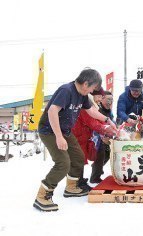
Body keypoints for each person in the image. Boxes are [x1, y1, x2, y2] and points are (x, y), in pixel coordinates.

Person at [33, 69, 116, 212]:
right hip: (50, 130)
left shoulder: (82, 95)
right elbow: (52, 111)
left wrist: (107, 120)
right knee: (63, 163)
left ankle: (72, 187)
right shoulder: (66, 90)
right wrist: (59, 137)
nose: (92, 91)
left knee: (78, 157)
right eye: (92, 88)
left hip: (65, 130)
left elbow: (91, 111)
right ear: (85, 84)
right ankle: (43, 196)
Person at [72, 88, 116, 185]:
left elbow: (99, 120)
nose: (100, 99)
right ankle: (76, 183)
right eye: (100, 96)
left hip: (86, 136)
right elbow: (92, 123)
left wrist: (110, 128)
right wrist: (106, 129)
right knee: (79, 159)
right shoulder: (85, 106)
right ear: (92, 95)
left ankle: (83, 180)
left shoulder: (94, 106)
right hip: (78, 135)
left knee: (84, 157)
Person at [89, 90, 115, 183]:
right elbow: (95, 124)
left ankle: (97, 169)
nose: (110, 102)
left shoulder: (109, 111)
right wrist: (105, 134)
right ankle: (95, 177)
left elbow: (112, 122)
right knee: (100, 154)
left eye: (111, 100)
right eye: (108, 99)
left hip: (105, 134)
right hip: (95, 135)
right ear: (101, 99)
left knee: (107, 154)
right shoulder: (97, 109)